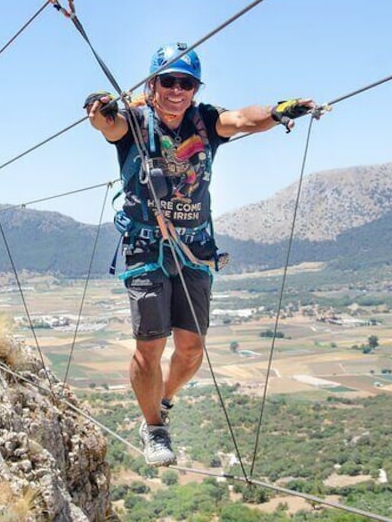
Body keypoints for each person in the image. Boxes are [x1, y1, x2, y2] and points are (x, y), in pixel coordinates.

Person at [84, 42, 316, 466]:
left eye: (186, 83)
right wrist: (98, 108)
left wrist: (281, 111)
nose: (177, 90)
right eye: (168, 81)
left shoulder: (206, 120)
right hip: (147, 248)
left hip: (194, 249)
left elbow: (245, 119)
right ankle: (154, 427)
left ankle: (163, 400)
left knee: (191, 351)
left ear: (194, 88)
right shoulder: (135, 121)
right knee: (149, 348)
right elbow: (107, 125)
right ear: (152, 85)